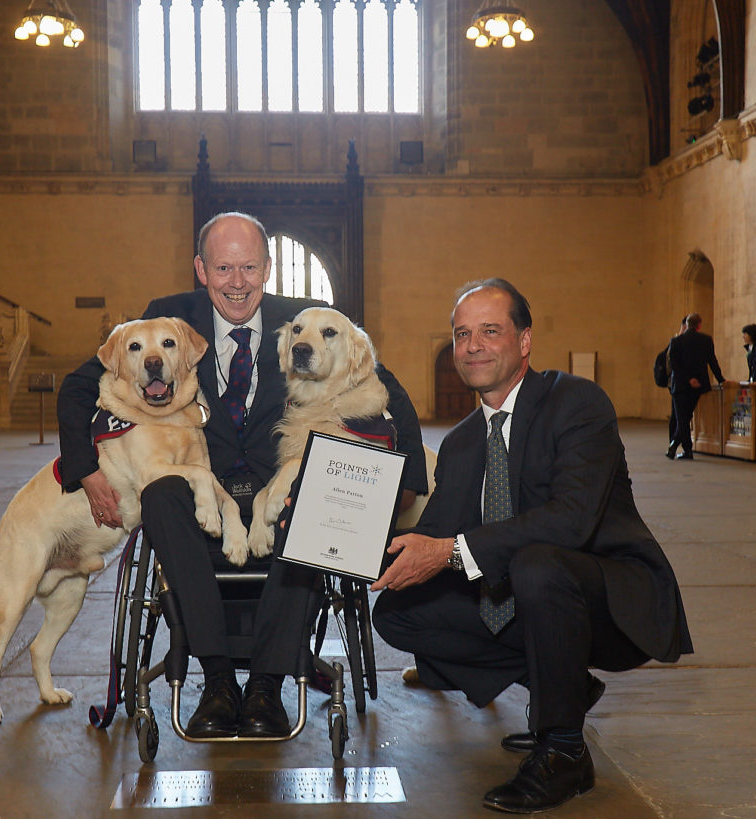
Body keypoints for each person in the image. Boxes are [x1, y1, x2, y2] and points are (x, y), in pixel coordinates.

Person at [56, 212, 427, 739]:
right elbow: (79, 387)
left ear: (268, 269)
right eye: (224, 267)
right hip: (202, 494)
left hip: (280, 494)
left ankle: (267, 687)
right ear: (201, 269)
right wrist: (85, 469)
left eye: (249, 267)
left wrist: (405, 480)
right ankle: (218, 680)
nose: (237, 282)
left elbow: (386, 384)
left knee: (315, 497)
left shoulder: (302, 324)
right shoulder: (167, 321)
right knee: (161, 494)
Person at [369, 279, 692, 814]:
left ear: (524, 342)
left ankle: (563, 751)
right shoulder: (461, 442)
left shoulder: (576, 402)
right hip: (532, 601)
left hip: (609, 597)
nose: (471, 345)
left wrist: (448, 551)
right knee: (398, 614)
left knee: (538, 563)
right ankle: (561, 689)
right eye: (461, 334)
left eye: (489, 331)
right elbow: (436, 540)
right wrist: (338, 535)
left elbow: (571, 521)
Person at [667, 312, 724, 460]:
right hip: (698, 385)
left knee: (682, 418)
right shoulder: (706, 340)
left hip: (680, 386)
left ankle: (684, 450)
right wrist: (721, 379)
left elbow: (674, 365)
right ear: (699, 325)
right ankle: (677, 447)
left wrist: (687, 379)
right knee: (685, 418)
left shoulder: (676, 341)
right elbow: (712, 361)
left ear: (686, 324)